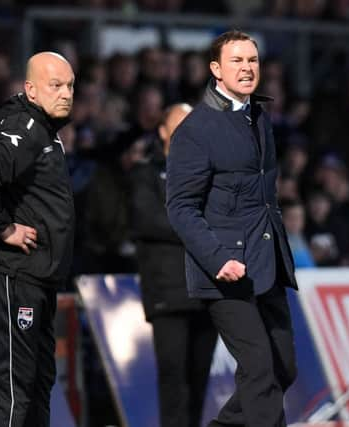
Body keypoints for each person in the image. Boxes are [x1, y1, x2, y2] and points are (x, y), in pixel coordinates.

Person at [166, 30, 298, 427]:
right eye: (237, 61)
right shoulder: (195, 130)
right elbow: (180, 207)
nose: (246, 68)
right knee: (259, 372)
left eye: (252, 61)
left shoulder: (259, 117)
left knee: (282, 368)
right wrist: (218, 258)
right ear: (215, 70)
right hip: (227, 271)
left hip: (268, 262)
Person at [0, 51, 75, 427]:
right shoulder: (24, 128)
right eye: (55, 85)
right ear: (30, 89)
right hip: (13, 273)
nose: (66, 93)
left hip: (37, 275)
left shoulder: (44, 131)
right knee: (14, 389)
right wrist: (5, 228)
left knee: (40, 381)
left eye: (70, 85)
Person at [129, 103, 218, 427]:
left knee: (198, 380)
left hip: (208, 290)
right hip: (168, 291)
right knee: (173, 378)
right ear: (163, 132)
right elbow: (146, 221)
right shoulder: (145, 173)